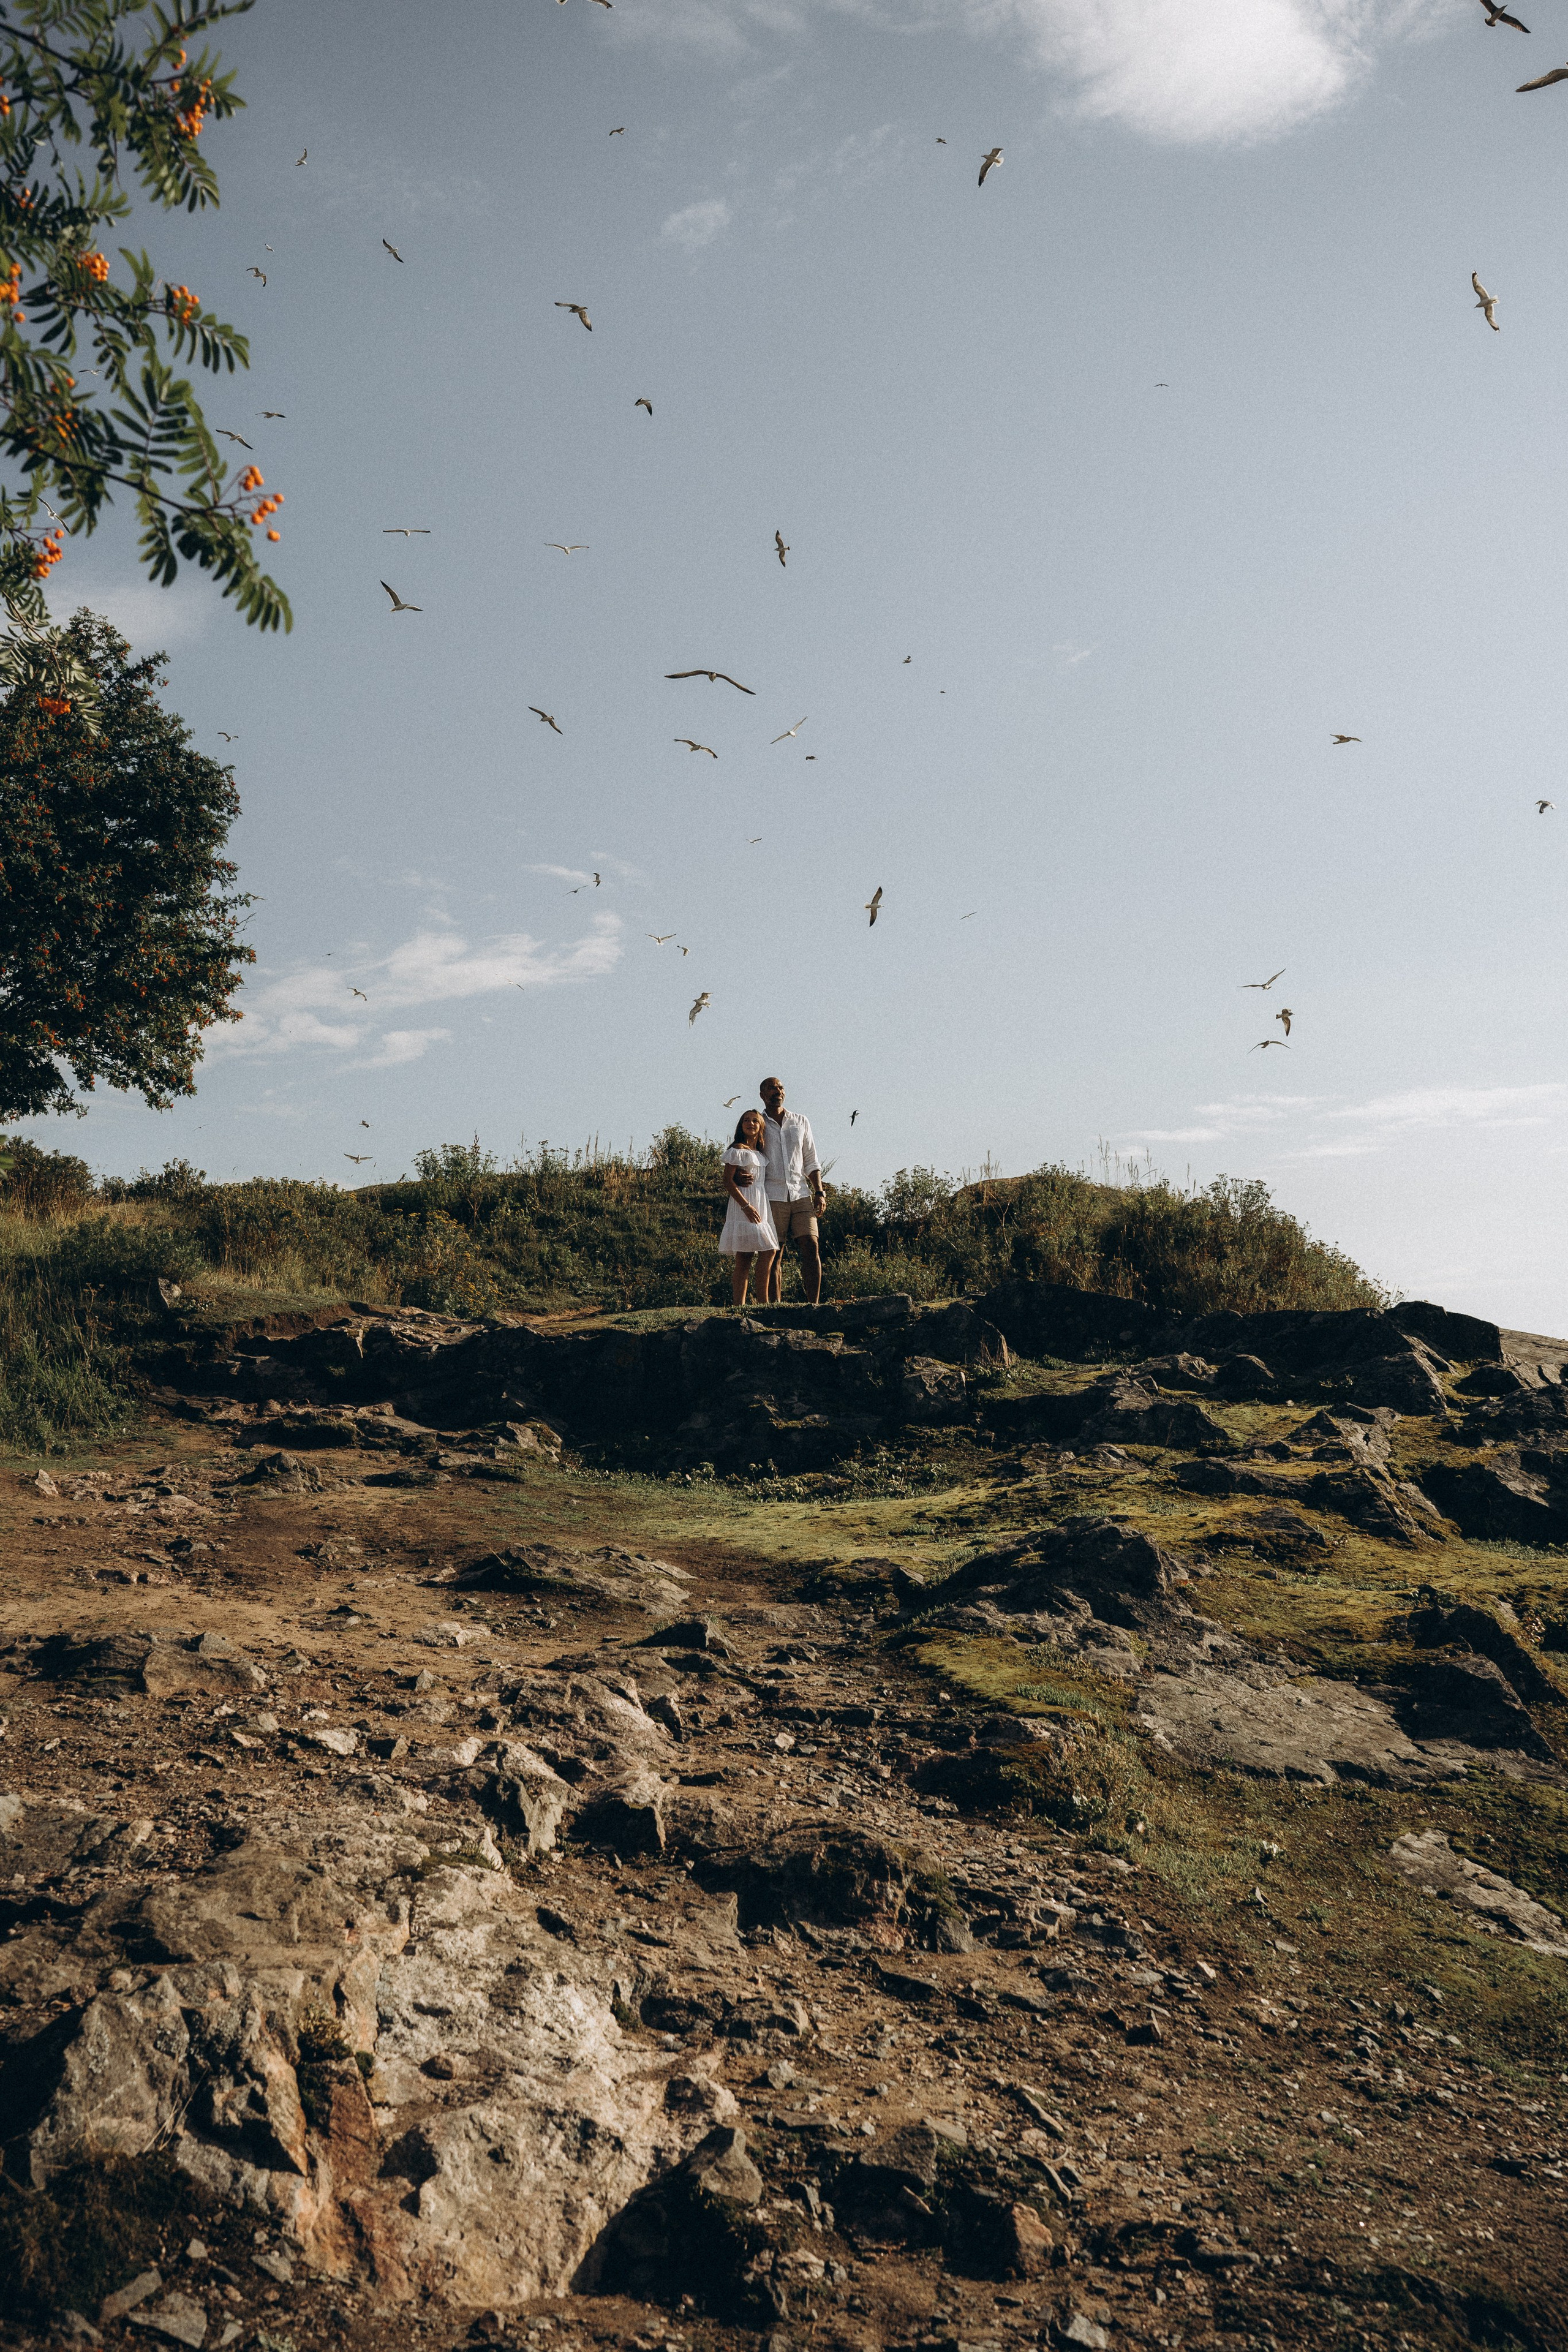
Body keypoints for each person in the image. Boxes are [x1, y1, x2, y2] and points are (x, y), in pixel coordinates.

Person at [758, 1074, 826, 1305]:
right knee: (774, 1253)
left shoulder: (800, 1121)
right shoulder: (757, 1122)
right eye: (771, 1088)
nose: (777, 1091)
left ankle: (814, 1306)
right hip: (771, 1195)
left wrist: (819, 1191)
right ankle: (776, 1306)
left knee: (811, 1245)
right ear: (762, 1095)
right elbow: (745, 1151)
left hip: (801, 1193)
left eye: (781, 1087)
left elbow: (811, 1160)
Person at [718, 1109, 778, 1305]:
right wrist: (745, 1206)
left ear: (761, 1127)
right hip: (744, 1204)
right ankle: (741, 1306)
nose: (750, 1124)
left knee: (767, 1250)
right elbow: (727, 1181)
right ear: (741, 1125)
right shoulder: (738, 1149)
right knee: (746, 1256)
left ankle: (762, 1302)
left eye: (755, 1121)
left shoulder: (760, 1155)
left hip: (761, 1203)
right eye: (746, 1120)